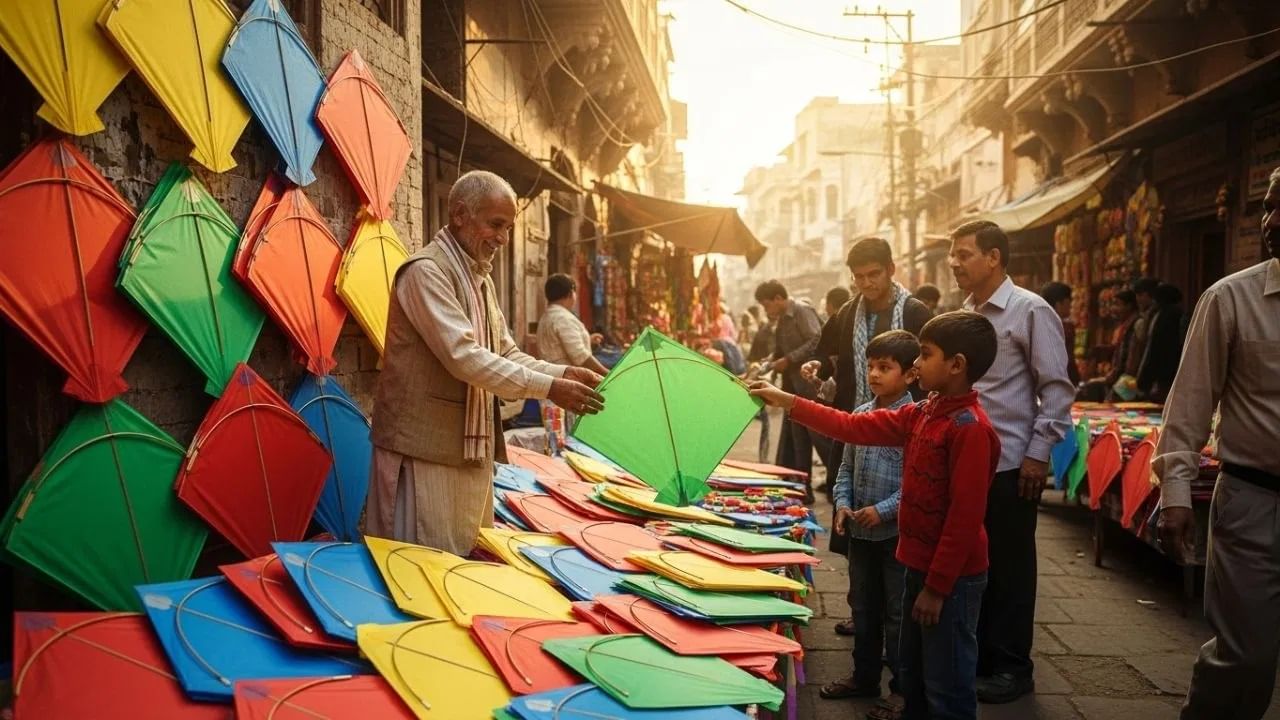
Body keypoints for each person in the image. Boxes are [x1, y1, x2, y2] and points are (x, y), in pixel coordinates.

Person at [750, 311, 1001, 720]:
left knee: (948, 681)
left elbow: (964, 519)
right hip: (917, 563)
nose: (917, 363)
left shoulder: (969, 429)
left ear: (956, 365)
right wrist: (790, 402)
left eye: (925, 354)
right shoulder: (924, 412)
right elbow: (853, 427)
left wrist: (937, 588)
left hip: (951, 579)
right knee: (917, 673)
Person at [366, 171, 604, 555]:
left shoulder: (481, 279)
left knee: (461, 559)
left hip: (465, 450)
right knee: (419, 564)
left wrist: (561, 373)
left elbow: (504, 352)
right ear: (460, 214)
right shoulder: (426, 272)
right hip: (422, 451)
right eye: (496, 225)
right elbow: (465, 357)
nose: (503, 239)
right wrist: (550, 387)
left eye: (509, 228)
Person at [1154, 166, 1280, 720]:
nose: (1273, 222)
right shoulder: (1231, 298)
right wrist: (1175, 493)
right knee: (1244, 658)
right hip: (1253, 501)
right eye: (1270, 207)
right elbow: (1189, 402)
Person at [949, 219, 1073, 704]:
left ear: (994, 257)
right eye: (953, 255)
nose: (955, 263)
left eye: (964, 254)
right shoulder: (967, 312)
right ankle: (978, 657)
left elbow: (1056, 389)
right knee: (972, 563)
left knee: (1010, 568)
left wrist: (1038, 455)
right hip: (969, 461)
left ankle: (1012, 667)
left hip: (1011, 464)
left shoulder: (1029, 310)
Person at [818, 330, 919, 720]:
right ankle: (864, 676)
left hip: (895, 537)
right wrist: (843, 504)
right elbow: (845, 469)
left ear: (910, 375)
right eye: (871, 366)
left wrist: (884, 510)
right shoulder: (860, 415)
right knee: (862, 607)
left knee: (897, 615)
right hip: (860, 535)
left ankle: (901, 689)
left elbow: (916, 484)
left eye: (885, 367)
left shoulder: (914, 422)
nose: (875, 374)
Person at [754, 279, 826, 502]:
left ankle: (838, 485)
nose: (767, 310)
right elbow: (779, 351)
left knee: (821, 439)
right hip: (793, 388)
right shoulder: (782, 320)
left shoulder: (801, 311)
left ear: (778, 298)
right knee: (798, 441)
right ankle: (804, 489)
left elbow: (817, 339)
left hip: (810, 385)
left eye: (767, 305)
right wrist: (767, 364)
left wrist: (790, 359)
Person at [536, 273, 609, 376]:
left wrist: (588, 339)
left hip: (554, 376)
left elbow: (561, 345)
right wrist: (608, 375)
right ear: (571, 293)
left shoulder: (548, 316)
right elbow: (581, 357)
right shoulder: (563, 318)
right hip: (568, 378)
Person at [1135, 283, 1184, 402]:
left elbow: (1154, 348)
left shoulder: (1162, 316)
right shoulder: (1181, 314)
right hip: (1177, 371)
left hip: (1163, 374)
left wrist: (1145, 379)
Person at [1039, 282, 1080, 386]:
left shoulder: (1034, 323)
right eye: (1068, 301)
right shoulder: (1065, 329)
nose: (1071, 304)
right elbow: (1068, 362)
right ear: (1058, 304)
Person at [1129, 277, 1159, 377]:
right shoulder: (1145, 316)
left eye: (1141, 295)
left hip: (1144, 374)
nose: (1138, 299)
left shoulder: (1150, 317)